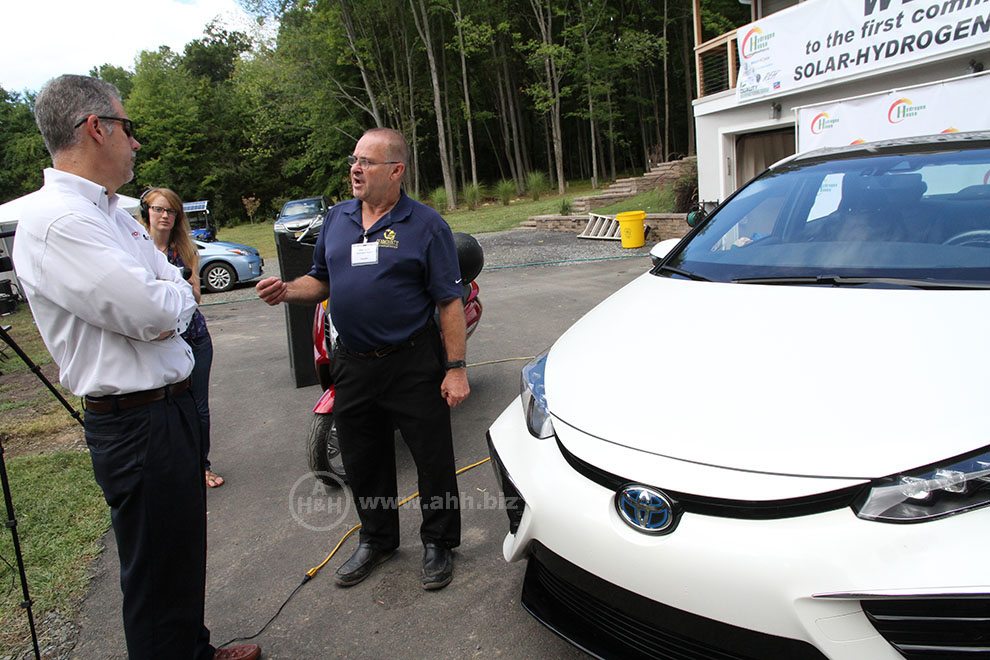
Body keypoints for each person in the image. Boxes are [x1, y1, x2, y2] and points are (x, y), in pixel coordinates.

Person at [11, 74, 259, 660]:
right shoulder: (59, 222)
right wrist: (167, 291)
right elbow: (155, 309)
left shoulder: (112, 213)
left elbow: (170, 279)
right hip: (134, 421)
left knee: (179, 553)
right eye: (128, 127)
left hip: (165, 410)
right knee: (153, 572)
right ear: (96, 128)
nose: (135, 143)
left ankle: (192, 649)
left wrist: (165, 287)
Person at [257, 127, 469, 591]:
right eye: (354, 159)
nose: (356, 168)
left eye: (367, 162)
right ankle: (377, 539)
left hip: (412, 361)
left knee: (432, 457)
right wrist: (288, 290)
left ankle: (439, 543)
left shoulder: (427, 225)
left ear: (396, 170)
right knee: (362, 457)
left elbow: (449, 302)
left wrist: (455, 369)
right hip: (351, 360)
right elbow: (320, 279)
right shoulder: (337, 219)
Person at [139, 187, 224, 489]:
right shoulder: (136, 249)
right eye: (159, 209)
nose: (165, 216)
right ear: (145, 212)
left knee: (197, 406)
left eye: (171, 211)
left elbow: (196, 296)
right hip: (157, 343)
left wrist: (172, 286)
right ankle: (171, 468)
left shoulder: (187, 252)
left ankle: (202, 466)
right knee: (162, 408)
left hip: (194, 338)